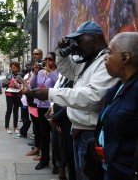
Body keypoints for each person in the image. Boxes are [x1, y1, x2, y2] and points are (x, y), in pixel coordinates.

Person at [24, 21, 119, 180]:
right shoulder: (88, 60)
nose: (77, 45)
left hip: (89, 133)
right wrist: (61, 51)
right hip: (78, 130)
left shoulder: (105, 63)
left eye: (79, 40)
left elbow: (92, 97)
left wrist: (50, 93)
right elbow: (66, 69)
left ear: (93, 39)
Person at [98, 32, 138, 180]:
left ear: (125, 58)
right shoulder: (118, 86)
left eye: (109, 52)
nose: (105, 57)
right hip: (109, 167)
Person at [30, 52, 59, 171]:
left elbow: (57, 83)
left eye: (50, 59)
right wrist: (35, 73)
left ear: (55, 61)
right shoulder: (41, 72)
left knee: (55, 137)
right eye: (46, 59)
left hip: (52, 107)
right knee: (43, 135)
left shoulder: (58, 72)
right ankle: (44, 160)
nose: (47, 61)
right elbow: (33, 85)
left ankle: (57, 164)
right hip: (41, 106)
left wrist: (50, 72)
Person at [3, 61, 23, 134]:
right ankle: (7, 127)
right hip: (9, 95)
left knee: (16, 111)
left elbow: (24, 85)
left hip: (17, 95)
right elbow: (4, 85)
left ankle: (15, 127)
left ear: (18, 68)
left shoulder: (21, 75)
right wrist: (6, 84)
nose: (12, 69)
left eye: (14, 68)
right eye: (11, 68)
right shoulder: (8, 75)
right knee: (9, 110)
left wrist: (18, 85)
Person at [15, 61, 33, 138]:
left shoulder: (36, 75)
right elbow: (24, 86)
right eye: (26, 65)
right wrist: (20, 86)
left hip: (32, 100)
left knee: (33, 118)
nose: (27, 67)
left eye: (29, 65)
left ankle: (35, 134)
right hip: (24, 100)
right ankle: (23, 132)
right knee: (24, 117)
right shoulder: (26, 75)